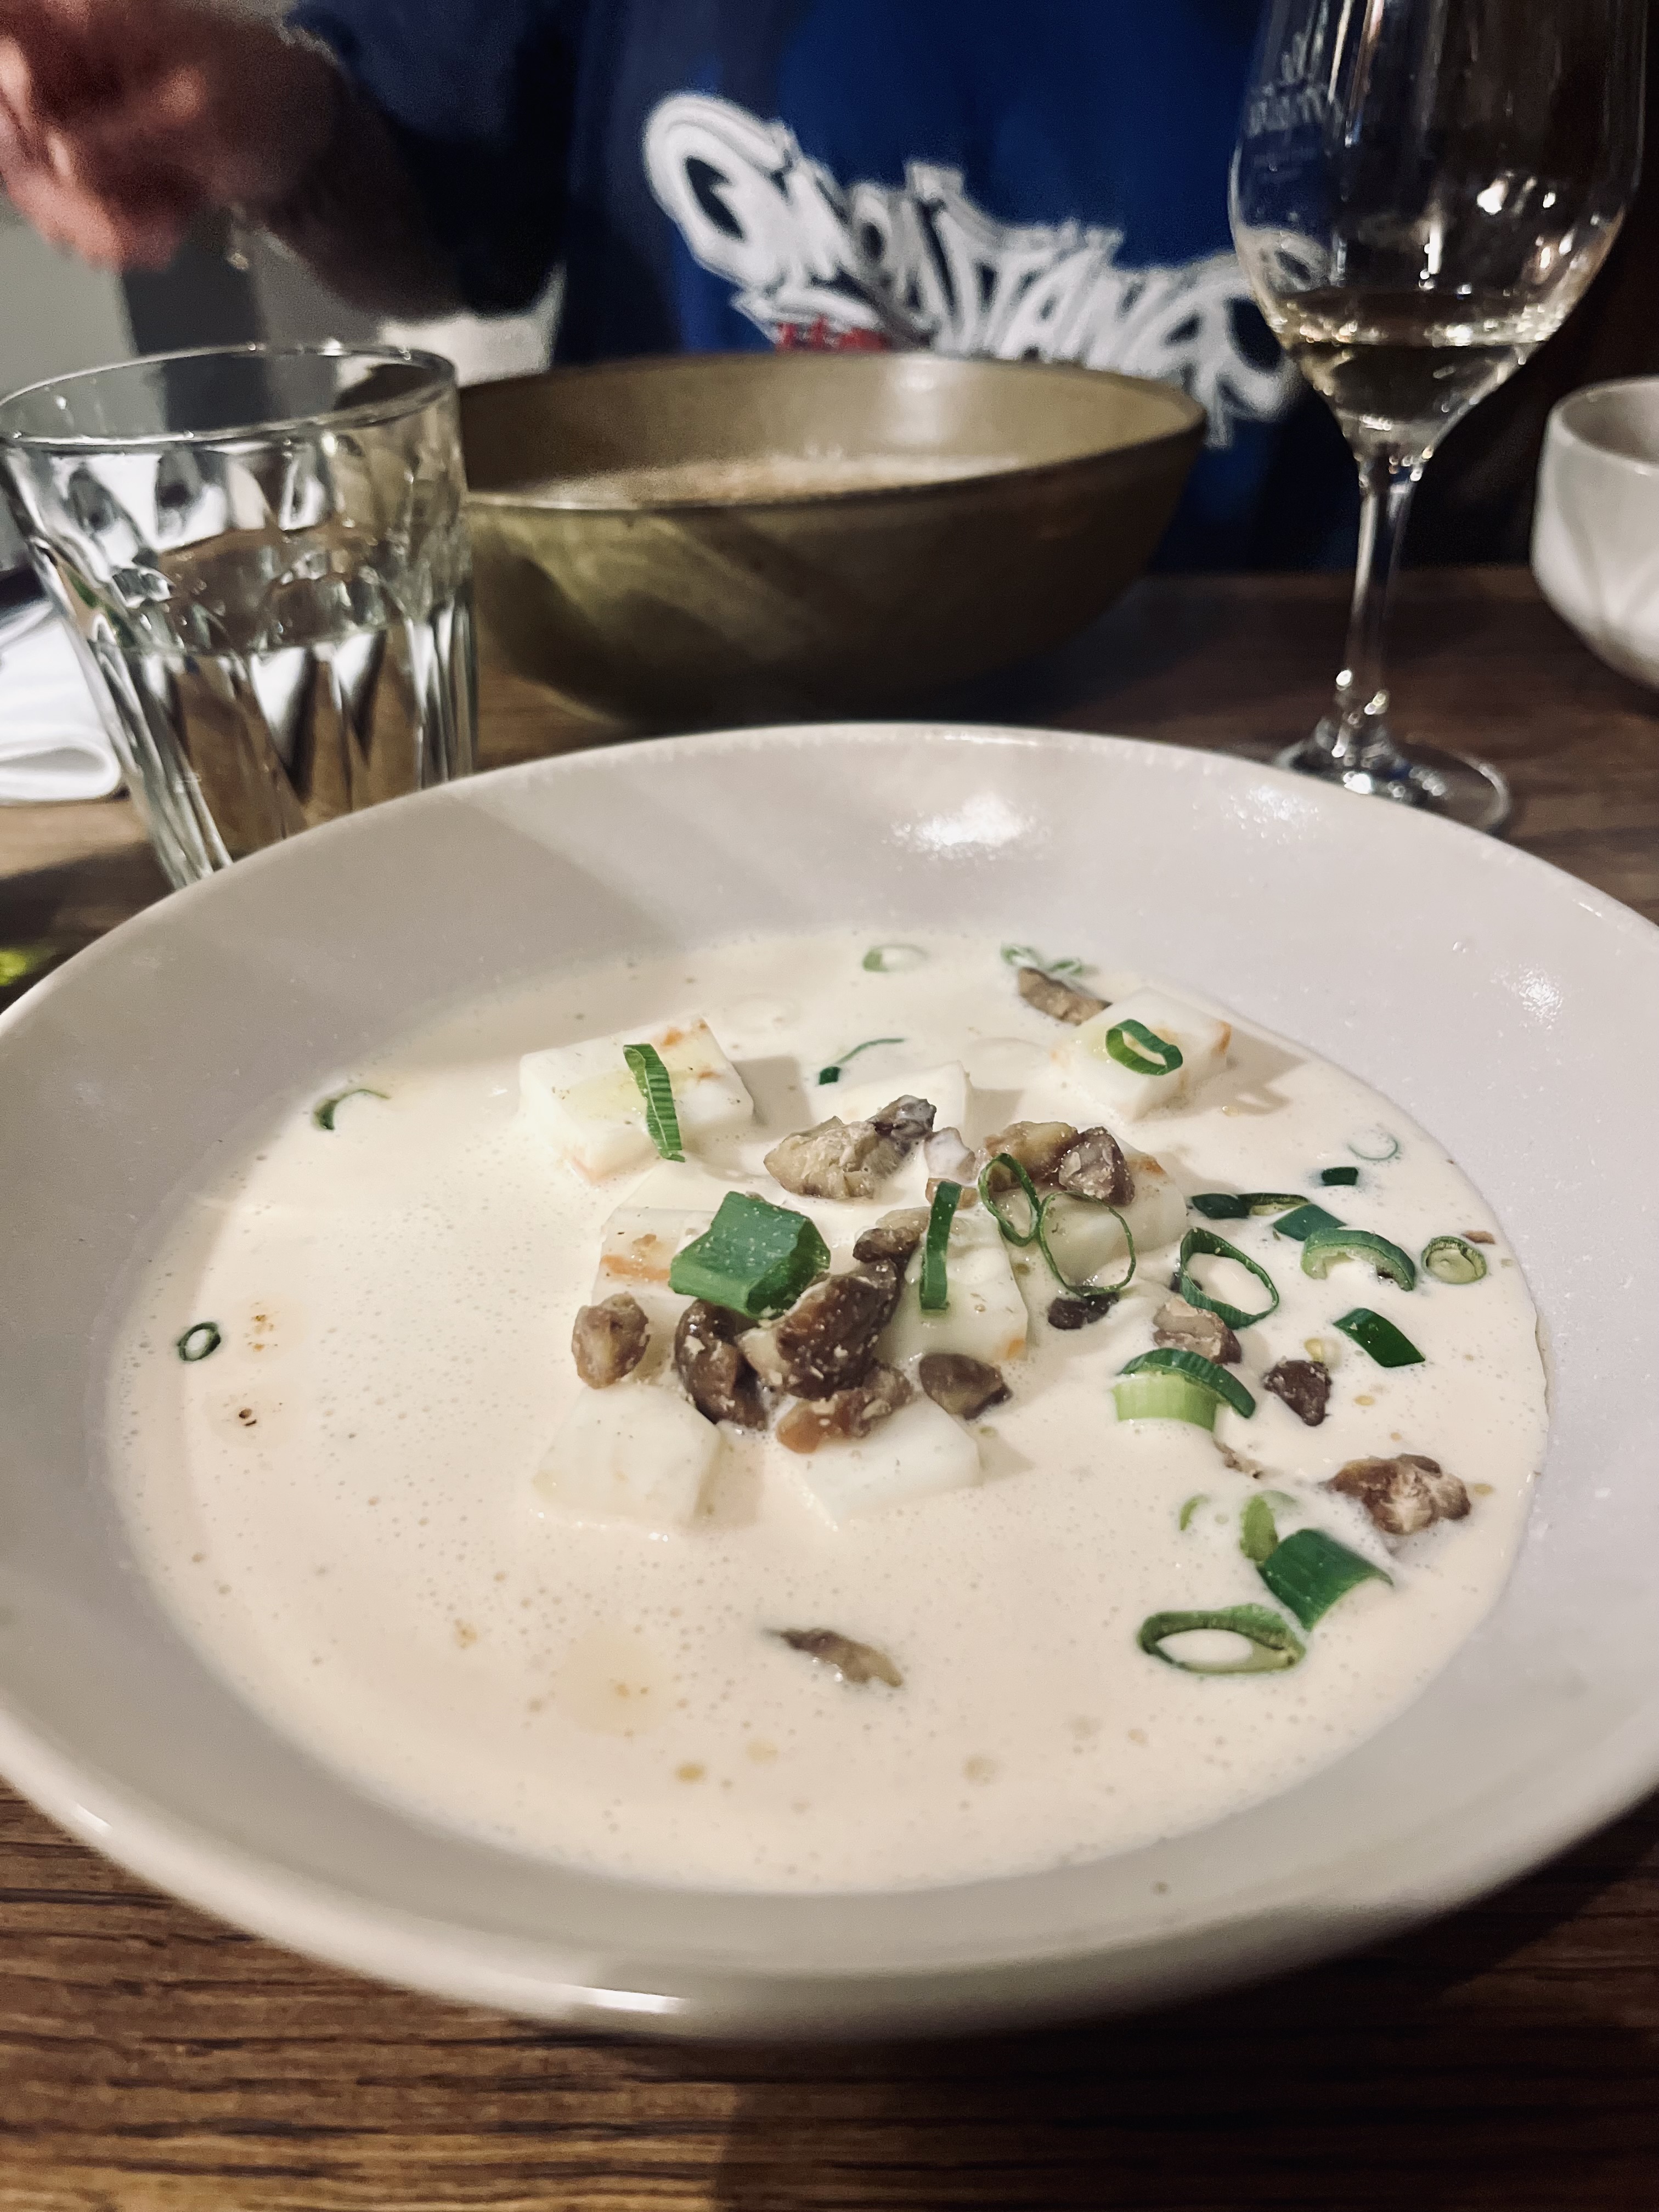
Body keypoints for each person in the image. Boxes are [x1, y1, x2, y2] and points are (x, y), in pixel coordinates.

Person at [3, 0, 1620, 569]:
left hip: (1230, 644)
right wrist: (272, 119)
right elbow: (437, 204)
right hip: (684, 628)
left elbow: (1559, 251)